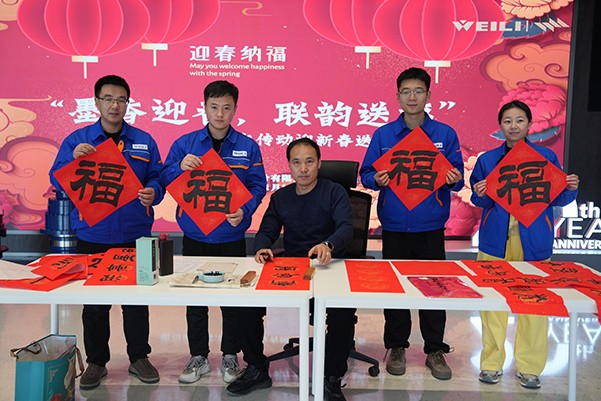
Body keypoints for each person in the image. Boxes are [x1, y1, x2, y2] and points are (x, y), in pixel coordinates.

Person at [49, 75, 164, 390]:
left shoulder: (144, 141)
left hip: (136, 233)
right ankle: (97, 362)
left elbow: (158, 177)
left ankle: (139, 357)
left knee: (136, 302)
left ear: (128, 103)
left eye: (121, 100)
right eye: (109, 99)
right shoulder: (78, 140)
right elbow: (57, 180)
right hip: (93, 234)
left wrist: (153, 191)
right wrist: (72, 160)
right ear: (97, 102)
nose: (115, 105)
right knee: (95, 304)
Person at [226, 138, 355, 401]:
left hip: (329, 268)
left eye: (309, 161)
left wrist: (327, 244)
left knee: (342, 313)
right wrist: (262, 247)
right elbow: (266, 231)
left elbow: (346, 228)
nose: (303, 168)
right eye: (297, 162)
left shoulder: (335, 192)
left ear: (319, 163)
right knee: (246, 305)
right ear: (289, 166)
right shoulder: (281, 197)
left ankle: (332, 378)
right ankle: (256, 368)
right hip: (294, 271)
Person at [359, 67, 464, 380]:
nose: (412, 97)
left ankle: (435, 349)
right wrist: (375, 179)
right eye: (406, 92)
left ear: (428, 95)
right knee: (396, 290)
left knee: (434, 289)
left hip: (430, 226)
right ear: (397, 96)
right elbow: (366, 174)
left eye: (418, 91)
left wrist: (452, 178)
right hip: (394, 225)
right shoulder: (383, 135)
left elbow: (458, 180)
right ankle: (397, 346)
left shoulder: (445, 134)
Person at [160, 80, 267, 384]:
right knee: (195, 299)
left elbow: (258, 185)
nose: (220, 114)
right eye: (214, 107)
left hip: (231, 235)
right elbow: (164, 177)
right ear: (204, 107)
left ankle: (231, 355)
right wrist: (179, 167)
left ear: (235, 109)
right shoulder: (185, 144)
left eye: (226, 107)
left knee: (232, 300)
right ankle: (198, 357)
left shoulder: (248, 146)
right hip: (195, 234)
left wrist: (245, 210)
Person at [470, 100, 579, 389]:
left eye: (519, 120)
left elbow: (557, 198)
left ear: (529, 125)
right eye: (507, 121)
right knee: (492, 304)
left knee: (535, 305)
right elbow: (479, 200)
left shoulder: (545, 157)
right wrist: (480, 192)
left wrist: (570, 187)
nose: (514, 126)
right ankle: (491, 363)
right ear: (500, 126)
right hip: (495, 242)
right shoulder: (487, 160)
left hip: (535, 241)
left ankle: (529, 367)